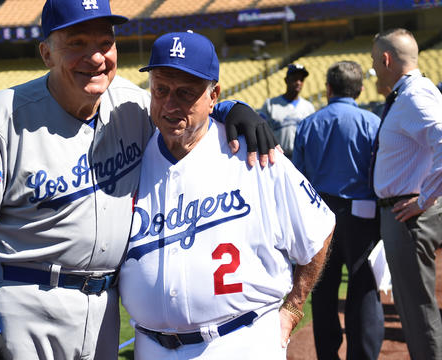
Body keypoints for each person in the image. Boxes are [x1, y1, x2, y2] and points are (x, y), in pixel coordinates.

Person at [0, 1, 278, 359]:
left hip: (104, 309)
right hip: (27, 302)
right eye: (77, 43)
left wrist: (230, 108)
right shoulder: (4, 115)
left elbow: (181, 109)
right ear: (46, 53)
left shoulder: (131, 104)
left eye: (105, 43)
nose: (96, 57)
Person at [118, 31, 335, 359]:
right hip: (151, 347)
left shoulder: (254, 155)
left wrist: (293, 308)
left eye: (186, 93)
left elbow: (318, 230)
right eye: (161, 90)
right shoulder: (131, 154)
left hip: (240, 341)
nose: (170, 104)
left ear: (213, 95)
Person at [293, 61, 384, 360]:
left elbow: (299, 177)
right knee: (364, 292)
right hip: (363, 216)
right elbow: (380, 176)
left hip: (320, 217)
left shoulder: (309, 123)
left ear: (328, 89)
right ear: (359, 89)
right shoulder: (372, 123)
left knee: (322, 293)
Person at [370, 28, 442, 360]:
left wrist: (424, 199)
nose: (373, 69)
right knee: (414, 308)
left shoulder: (414, 95)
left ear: (387, 59)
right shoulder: (410, 93)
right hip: (404, 212)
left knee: (417, 311)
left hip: (408, 215)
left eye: (375, 62)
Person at [259, 63, 315, 158]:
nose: (298, 82)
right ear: (286, 80)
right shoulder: (270, 104)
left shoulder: (309, 107)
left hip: (302, 158)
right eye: (295, 78)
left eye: (301, 79)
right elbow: (261, 132)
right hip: (278, 158)